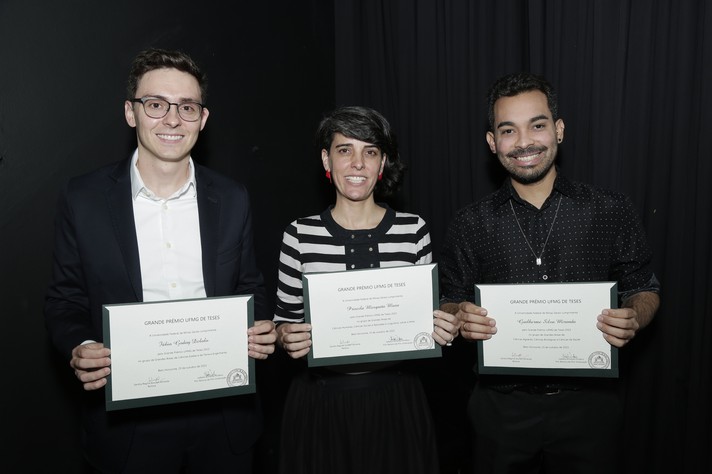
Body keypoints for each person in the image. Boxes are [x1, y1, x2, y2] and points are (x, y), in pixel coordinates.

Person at [44, 48, 276, 473]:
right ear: (131, 113)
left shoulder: (231, 197)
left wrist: (260, 327)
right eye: (156, 105)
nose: (172, 120)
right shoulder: (84, 199)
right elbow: (64, 299)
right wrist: (80, 346)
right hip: (127, 427)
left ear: (203, 120)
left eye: (187, 107)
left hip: (224, 419)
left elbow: (250, 286)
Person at [439, 72, 661, 474]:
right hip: (499, 407)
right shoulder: (469, 223)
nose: (524, 142)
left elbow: (644, 286)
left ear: (558, 130)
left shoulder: (610, 209)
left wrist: (634, 318)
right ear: (492, 142)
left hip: (590, 405)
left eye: (537, 125)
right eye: (508, 130)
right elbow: (450, 297)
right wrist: (459, 316)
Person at [273, 105, 459, 474]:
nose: (357, 163)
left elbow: (432, 316)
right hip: (320, 402)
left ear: (382, 162)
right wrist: (285, 337)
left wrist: (445, 325)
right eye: (345, 150)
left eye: (370, 152)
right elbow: (284, 324)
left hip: (396, 399)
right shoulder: (299, 234)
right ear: (327, 159)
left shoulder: (414, 230)